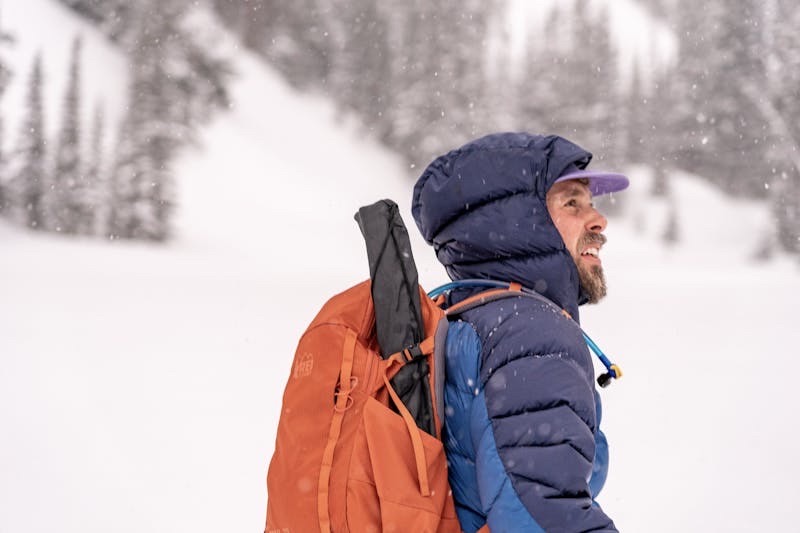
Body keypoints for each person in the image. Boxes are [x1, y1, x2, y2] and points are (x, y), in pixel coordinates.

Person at [411, 132, 627, 532]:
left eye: (591, 203)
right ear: (520, 222)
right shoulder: (532, 339)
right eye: (572, 203)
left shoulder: (463, 313)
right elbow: (544, 518)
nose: (599, 220)